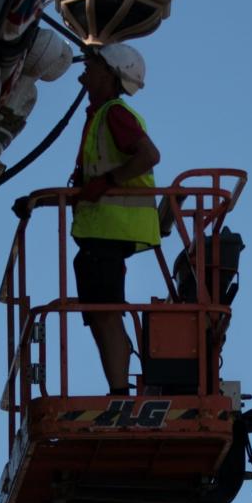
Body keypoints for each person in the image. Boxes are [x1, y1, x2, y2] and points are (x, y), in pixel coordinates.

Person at [67, 42, 162, 393]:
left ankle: (120, 393)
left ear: (109, 73)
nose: (85, 67)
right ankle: (118, 389)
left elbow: (149, 155)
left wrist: (107, 183)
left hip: (111, 231)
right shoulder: (101, 116)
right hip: (99, 233)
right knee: (99, 314)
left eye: (92, 62)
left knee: (106, 313)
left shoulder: (114, 114)